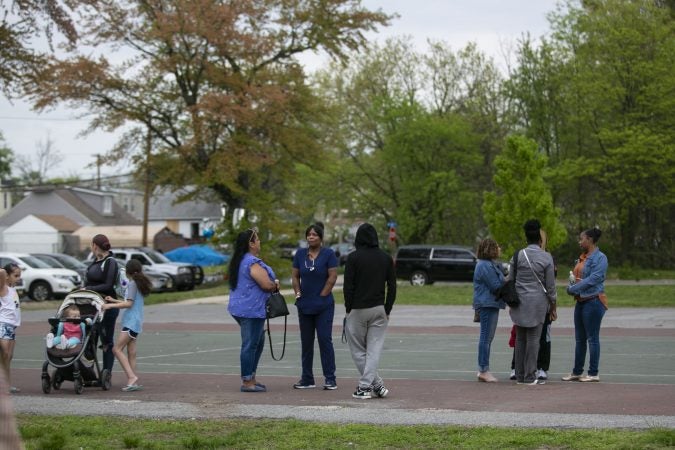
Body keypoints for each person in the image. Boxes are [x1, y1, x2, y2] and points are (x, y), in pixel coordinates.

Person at [343, 223, 396, 399]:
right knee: (374, 350)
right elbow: (392, 286)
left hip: (358, 309)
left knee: (358, 350)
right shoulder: (385, 258)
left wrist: (348, 308)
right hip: (379, 308)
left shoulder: (353, 258)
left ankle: (365, 387)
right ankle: (377, 385)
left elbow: (348, 286)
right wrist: (387, 308)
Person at [227, 227, 279, 393]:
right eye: (257, 239)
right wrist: (274, 285)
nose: (259, 242)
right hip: (251, 310)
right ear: (251, 243)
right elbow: (265, 284)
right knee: (250, 344)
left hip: (240, 308)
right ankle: (247, 381)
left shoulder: (239, 260)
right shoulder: (251, 262)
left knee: (257, 342)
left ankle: (252, 376)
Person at [508, 219, 557, 385]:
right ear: (540, 239)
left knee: (520, 339)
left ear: (526, 237)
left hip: (519, 303)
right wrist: (553, 306)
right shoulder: (546, 257)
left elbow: (511, 279)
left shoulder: (517, 255)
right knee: (534, 340)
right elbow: (551, 287)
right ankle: (530, 376)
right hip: (538, 304)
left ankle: (520, 376)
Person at [291, 224, 339, 390]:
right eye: (309, 234)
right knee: (306, 342)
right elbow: (295, 276)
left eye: (314, 235)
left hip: (324, 305)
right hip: (304, 305)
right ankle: (307, 378)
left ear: (321, 237)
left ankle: (330, 378)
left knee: (325, 340)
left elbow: (332, 276)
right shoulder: (300, 254)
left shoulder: (329, 254)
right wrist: (297, 293)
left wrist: (323, 295)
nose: (311, 237)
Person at [562, 227, 608, 383]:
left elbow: (594, 279)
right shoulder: (582, 258)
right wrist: (572, 285)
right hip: (581, 302)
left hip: (594, 301)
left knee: (592, 338)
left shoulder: (600, 258)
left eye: (581, 239)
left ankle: (593, 373)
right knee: (580, 339)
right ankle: (577, 372)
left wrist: (574, 288)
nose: (579, 241)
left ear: (590, 239)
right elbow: (578, 277)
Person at [101, 259, 152, 392]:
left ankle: (131, 377)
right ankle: (133, 381)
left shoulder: (132, 284)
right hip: (136, 322)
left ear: (128, 272)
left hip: (131, 322)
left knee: (116, 349)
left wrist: (109, 305)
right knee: (131, 352)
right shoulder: (139, 284)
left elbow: (128, 304)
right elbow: (130, 301)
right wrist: (113, 300)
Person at [84, 234, 120, 375]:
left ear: (95, 245)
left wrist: (89, 289)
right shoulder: (95, 262)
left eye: (92, 245)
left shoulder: (110, 262)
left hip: (107, 306)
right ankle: (89, 372)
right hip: (92, 305)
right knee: (90, 338)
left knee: (106, 340)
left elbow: (108, 285)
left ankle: (106, 372)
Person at [472, 238, 506, 383]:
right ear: (490, 249)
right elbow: (496, 285)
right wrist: (510, 279)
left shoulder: (490, 264)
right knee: (485, 337)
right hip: (487, 304)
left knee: (488, 338)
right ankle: (483, 370)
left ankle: (483, 368)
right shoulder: (485, 265)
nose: (499, 249)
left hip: (491, 304)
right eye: (497, 246)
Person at [0, 264, 22, 394]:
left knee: (9, 357)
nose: (18, 278)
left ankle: (7, 385)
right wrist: (4, 270)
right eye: (16, 275)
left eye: (19, 276)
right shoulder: (3, 288)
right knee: (4, 356)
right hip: (4, 325)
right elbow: (1, 272)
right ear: (7, 276)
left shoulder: (13, 290)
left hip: (12, 327)